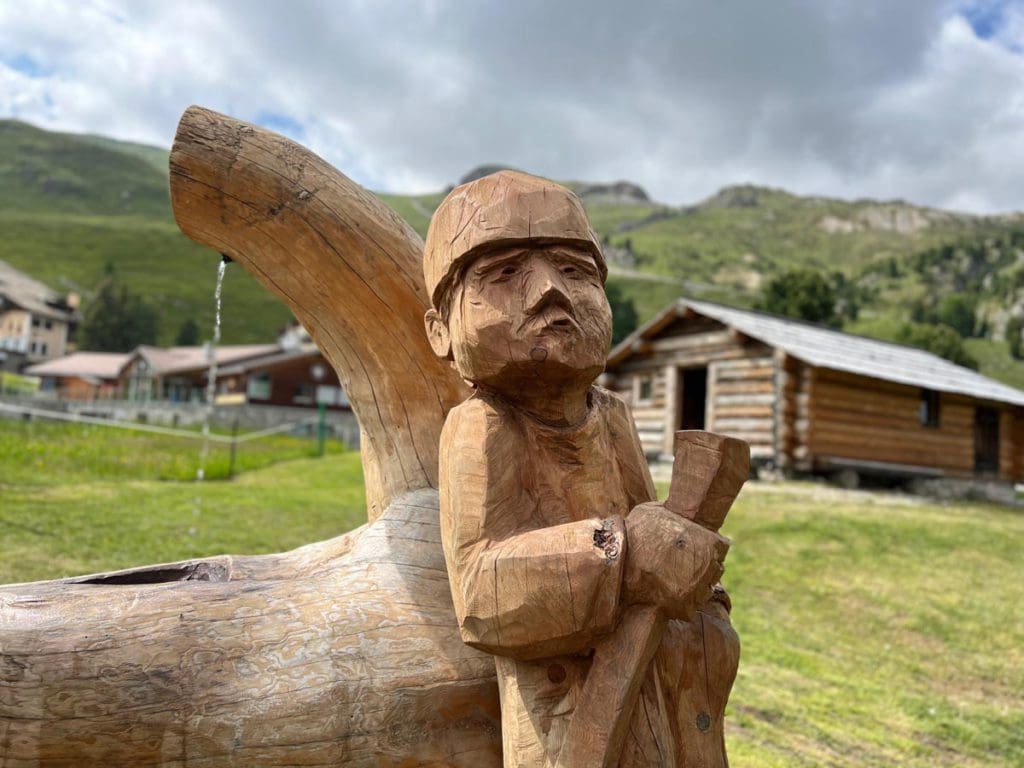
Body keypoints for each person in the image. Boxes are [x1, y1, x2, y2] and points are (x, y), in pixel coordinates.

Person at [423, 170, 737, 768]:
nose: (550, 292)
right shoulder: (482, 425)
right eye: (506, 273)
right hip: (563, 718)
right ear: (441, 329)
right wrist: (625, 556)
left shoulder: (612, 416)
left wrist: (690, 581)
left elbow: (655, 531)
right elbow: (480, 592)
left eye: (575, 270)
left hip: (654, 696)